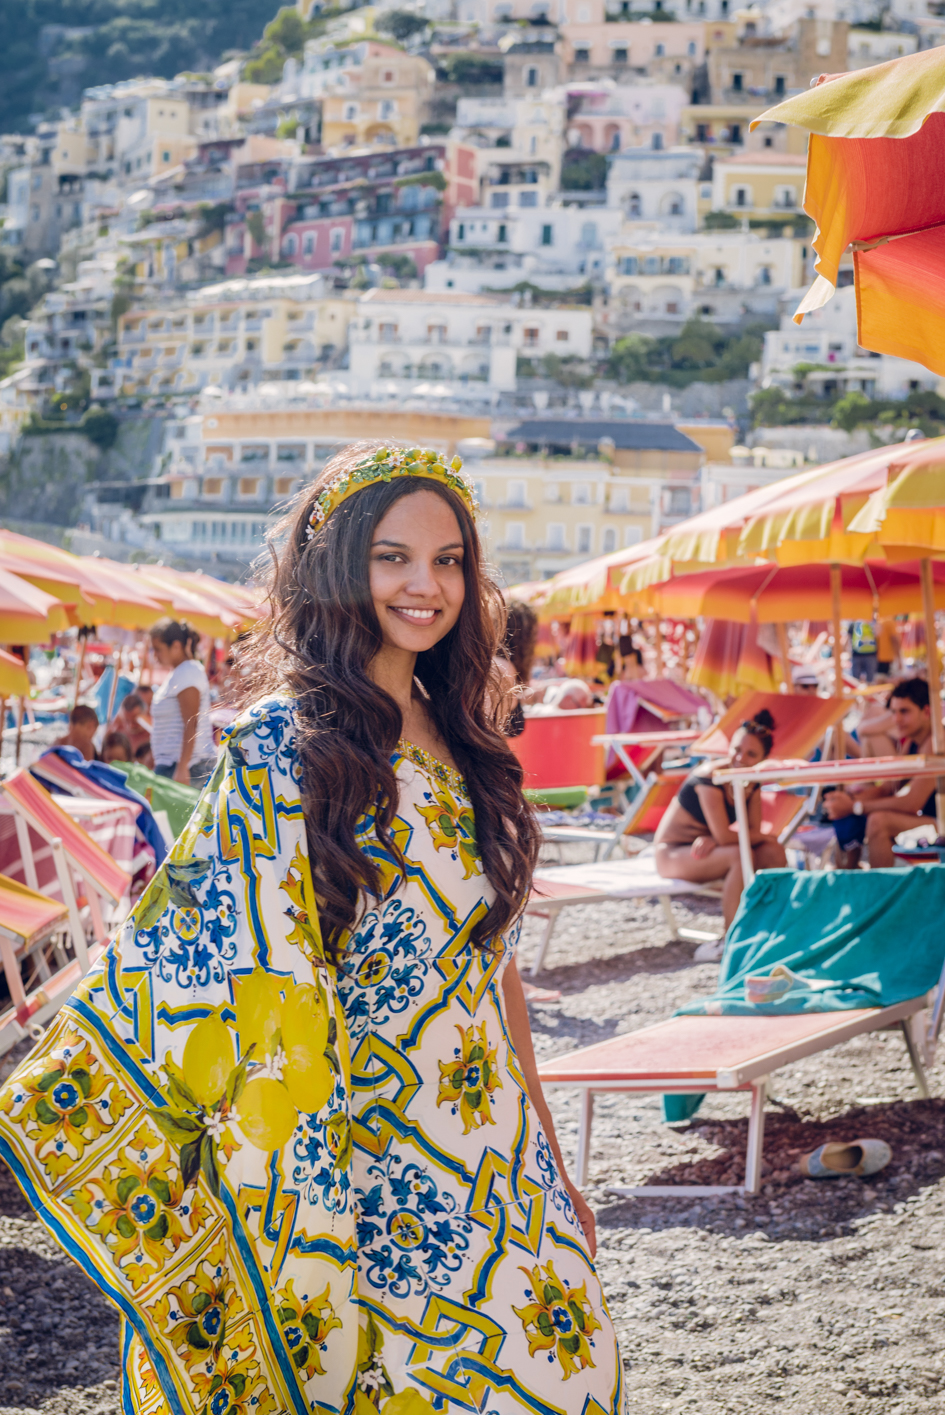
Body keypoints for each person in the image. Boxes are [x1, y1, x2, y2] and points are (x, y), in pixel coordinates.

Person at [0, 440, 624, 1415]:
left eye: (449, 558)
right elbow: (198, 944)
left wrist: (547, 1152)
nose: (427, 584)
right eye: (394, 556)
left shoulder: (465, 734)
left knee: (568, 1370)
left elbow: (491, 971)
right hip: (361, 1167)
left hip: (494, 1149)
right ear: (339, 565)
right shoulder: (284, 746)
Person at [655, 709, 787, 927]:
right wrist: (726, 839)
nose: (740, 758)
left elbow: (749, 831)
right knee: (737, 855)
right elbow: (730, 837)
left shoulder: (751, 781)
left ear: (763, 760)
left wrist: (720, 839)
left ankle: (774, 927)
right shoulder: (711, 778)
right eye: (736, 750)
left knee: (773, 851)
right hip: (673, 852)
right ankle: (729, 937)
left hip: (709, 847)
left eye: (751, 754)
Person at [824, 676, 939, 866]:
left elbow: (911, 803)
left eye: (904, 712)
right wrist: (849, 801)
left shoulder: (936, 744)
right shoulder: (913, 740)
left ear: (926, 711)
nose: (896, 719)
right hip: (932, 820)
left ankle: (883, 892)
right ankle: (850, 873)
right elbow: (888, 788)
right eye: (893, 712)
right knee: (853, 813)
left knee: (878, 822)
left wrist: (855, 806)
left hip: (938, 823)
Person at [148, 618, 216, 788]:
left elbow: (191, 722)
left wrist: (182, 767)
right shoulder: (180, 673)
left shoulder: (188, 672)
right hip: (179, 765)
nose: (155, 656)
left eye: (158, 650)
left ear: (176, 646)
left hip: (189, 768)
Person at [107, 689, 151, 756]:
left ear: (145, 714)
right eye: (127, 721)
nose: (131, 726)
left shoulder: (152, 731)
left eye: (135, 721)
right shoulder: (117, 728)